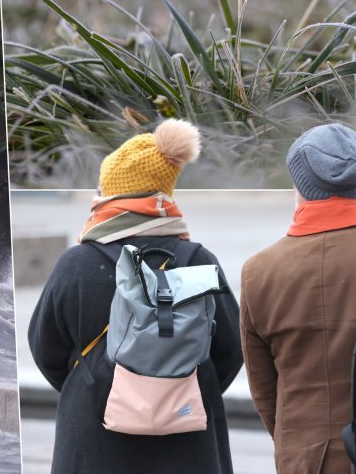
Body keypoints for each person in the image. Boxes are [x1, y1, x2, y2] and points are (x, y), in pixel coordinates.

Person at [28, 119, 243, 473]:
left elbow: (44, 348)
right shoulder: (199, 260)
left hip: (95, 435)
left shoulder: (76, 263)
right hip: (187, 439)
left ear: (112, 195)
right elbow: (231, 349)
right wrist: (174, 389)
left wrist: (100, 384)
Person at [240, 123, 356, 473]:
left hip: (303, 460)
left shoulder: (259, 271)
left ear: (300, 185)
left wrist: (296, 445)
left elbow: (265, 391)